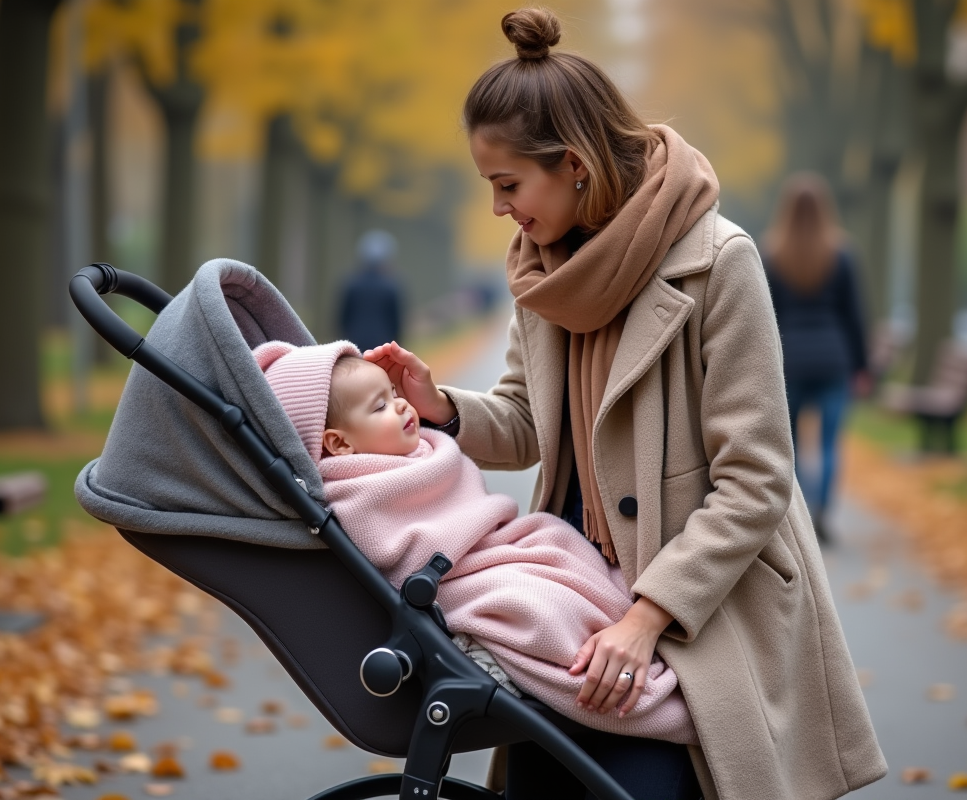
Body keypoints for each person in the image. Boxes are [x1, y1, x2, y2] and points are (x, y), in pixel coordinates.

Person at [365, 9, 886, 800]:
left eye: (508, 185)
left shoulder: (720, 263)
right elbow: (527, 422)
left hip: (695, 605)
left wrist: (647, 618)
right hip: (570, 606)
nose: (500, 209)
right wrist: (438, 406)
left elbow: (757, 481)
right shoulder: (544, 272)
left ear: (573, 164)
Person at [251, 339, 697, 743]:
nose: (404, 408)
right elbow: (397, 547)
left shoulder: (415, 451)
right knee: (539, 609)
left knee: (559, 543)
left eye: (396, 395)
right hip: (459, 577)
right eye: (381, 406)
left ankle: (620, 634)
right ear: (338, 444)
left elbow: (468, 506)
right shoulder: (354, 489)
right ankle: (609, 672)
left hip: (496, 549)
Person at [762, 173, 870, 544]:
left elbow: (763, 315)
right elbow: (855, 316)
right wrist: (862, 366)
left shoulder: (771, 255)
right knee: (827, 444)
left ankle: (800, 518)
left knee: (787, 445)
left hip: (788, 362)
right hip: (832, 358)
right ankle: (822, 510)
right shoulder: (841, 255)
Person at [337, 229, 404, 351]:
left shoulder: (351, 284)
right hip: (383, 347)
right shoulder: (391, 286)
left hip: (354, 344)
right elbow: (396, 322)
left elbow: (342, 318)